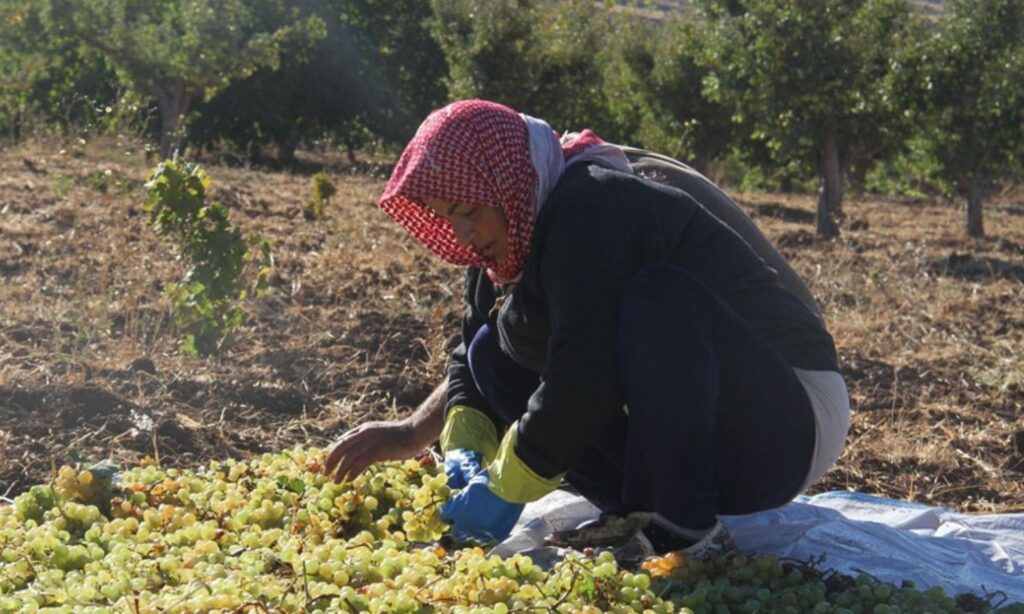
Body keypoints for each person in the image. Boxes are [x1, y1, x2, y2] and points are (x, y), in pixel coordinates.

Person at [323, 99, 850, 558]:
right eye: (447, 216)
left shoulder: (592, 205)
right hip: (720, 452)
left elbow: (584, 367)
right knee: (493, 350)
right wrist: (464, 440)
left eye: (467, 211)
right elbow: (473, 349)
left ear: (505, 182)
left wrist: (509, 484)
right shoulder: (507, 232)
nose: (462, 233)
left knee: (656, 296)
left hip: (786, 425)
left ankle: (684, 528)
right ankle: (642, 516)